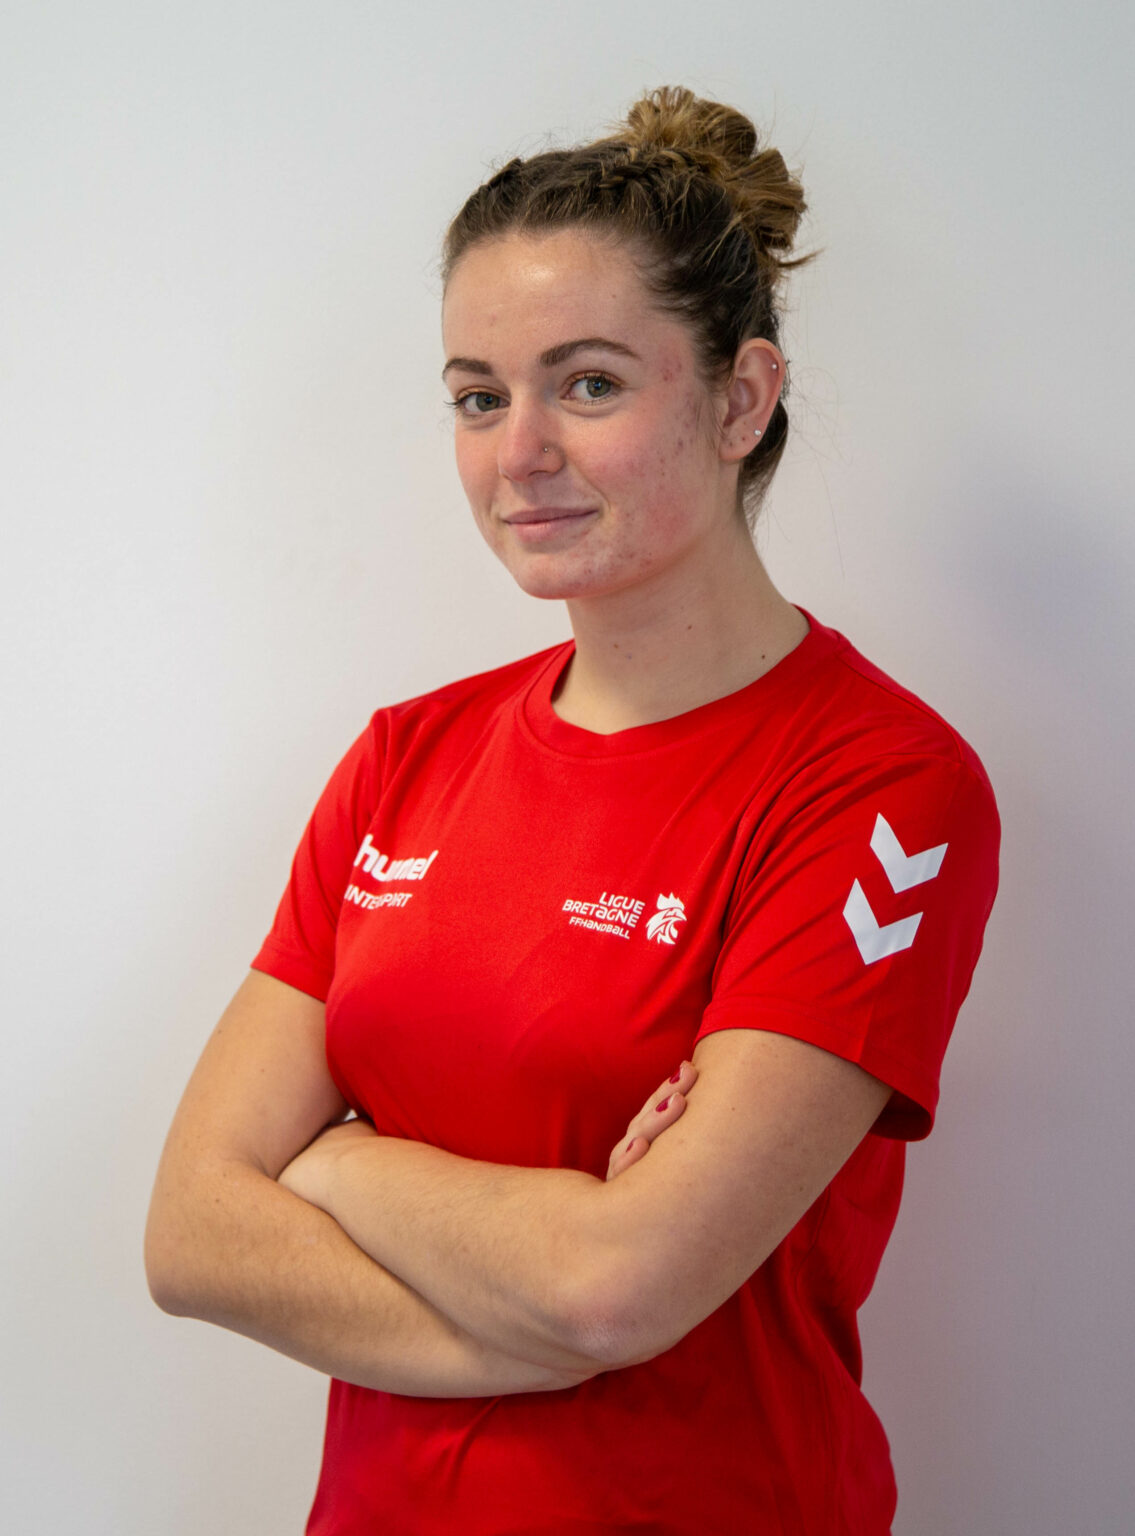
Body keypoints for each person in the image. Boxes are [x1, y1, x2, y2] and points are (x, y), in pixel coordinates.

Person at [145, 86, 1000, 1534]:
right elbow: (190, 1235)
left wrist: (338, 1158)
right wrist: (540, 1317)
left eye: (588, 385)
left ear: (740, 400)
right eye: (479, 396)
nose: (518, 452)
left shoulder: (880, 787)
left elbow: (619, 1288)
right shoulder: (406, 757)